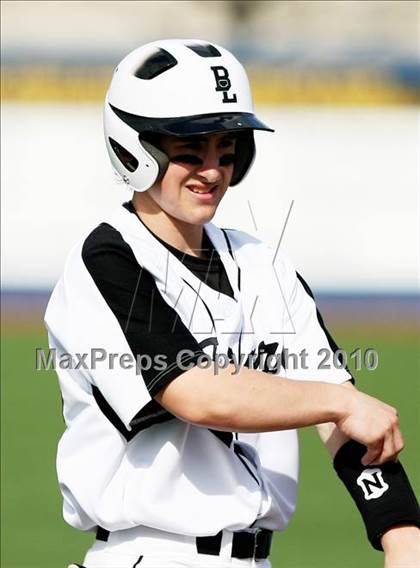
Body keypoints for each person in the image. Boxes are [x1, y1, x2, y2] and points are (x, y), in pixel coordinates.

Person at [45, 39, 419, 568]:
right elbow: (195, 392)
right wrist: (340, 403)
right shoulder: (108, 256)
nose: (213, 170)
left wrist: (402, 533)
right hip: (151, 555)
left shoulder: (262, 263)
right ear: (134, 148)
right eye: (189, 151)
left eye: (227, 150)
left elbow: (346, 424)